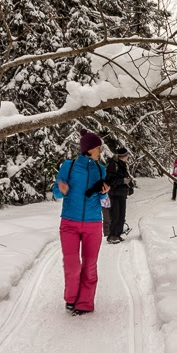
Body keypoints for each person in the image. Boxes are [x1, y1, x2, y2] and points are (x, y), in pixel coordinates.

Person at [55, 129, 109, 316]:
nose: (100, 151)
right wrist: (61, 189)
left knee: (89, 265)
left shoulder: (101, 169)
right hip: (69, 222)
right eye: (98, 148)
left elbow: (104, 200)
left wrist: (104, 191)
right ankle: (71, 299)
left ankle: (85, 303)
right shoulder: (68, 166)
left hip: (93, 223)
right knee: (72, 265)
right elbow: (55, 191)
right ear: (89, 148)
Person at [105, 147, 133, 244]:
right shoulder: (113, 164)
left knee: (121, 215)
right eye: (127, 155)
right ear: (123, 156)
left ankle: (117, 234)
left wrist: (129, 186)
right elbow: (110, 180)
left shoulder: (123, 165)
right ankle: (111, 235)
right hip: (114, 194)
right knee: (115, 215)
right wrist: (123, 181)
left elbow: (125, 177)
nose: (128, 157)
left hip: (122, 194)